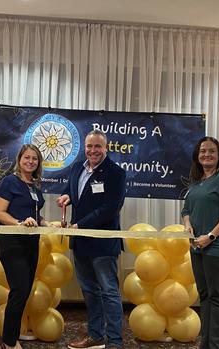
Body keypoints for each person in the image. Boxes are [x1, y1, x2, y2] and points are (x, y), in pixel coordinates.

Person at [57, 129, 126, 349]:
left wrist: (79, 225)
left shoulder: (115, 173)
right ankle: (95, 337)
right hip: (80, 242)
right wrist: (66, 196)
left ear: (106, 148)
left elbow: (110, 208)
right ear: (84, 147)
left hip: (103, 243)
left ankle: (115, 341)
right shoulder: (78, 167)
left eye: (98, 146)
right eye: (89, 146)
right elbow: (72, 190)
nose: (93, 150)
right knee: (89, 291)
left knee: (109, 292)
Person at [181, 136, 219, 349]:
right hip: (197, 246)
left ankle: (218, 345)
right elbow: (186, 210)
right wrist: (188, 225)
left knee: (217, 297)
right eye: (203, 151)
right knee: (204, 295)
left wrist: (211, 236)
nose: (207, 154)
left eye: (211, 151)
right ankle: (206, 343)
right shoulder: (197, 182)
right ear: (197, 156)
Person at [0, 144, 51, 349]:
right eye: (27, 158)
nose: (30, 162)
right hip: (12, 242)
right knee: (19, 290)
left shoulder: (34, 185)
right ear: (19, 159)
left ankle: (10, 337)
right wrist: (19, 223)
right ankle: (9, 342)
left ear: (38, 163)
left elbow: (34, 214)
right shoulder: (9, 181)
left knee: (24, 290)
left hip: (31, 243)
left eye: (34, 159)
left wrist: (45, 223)